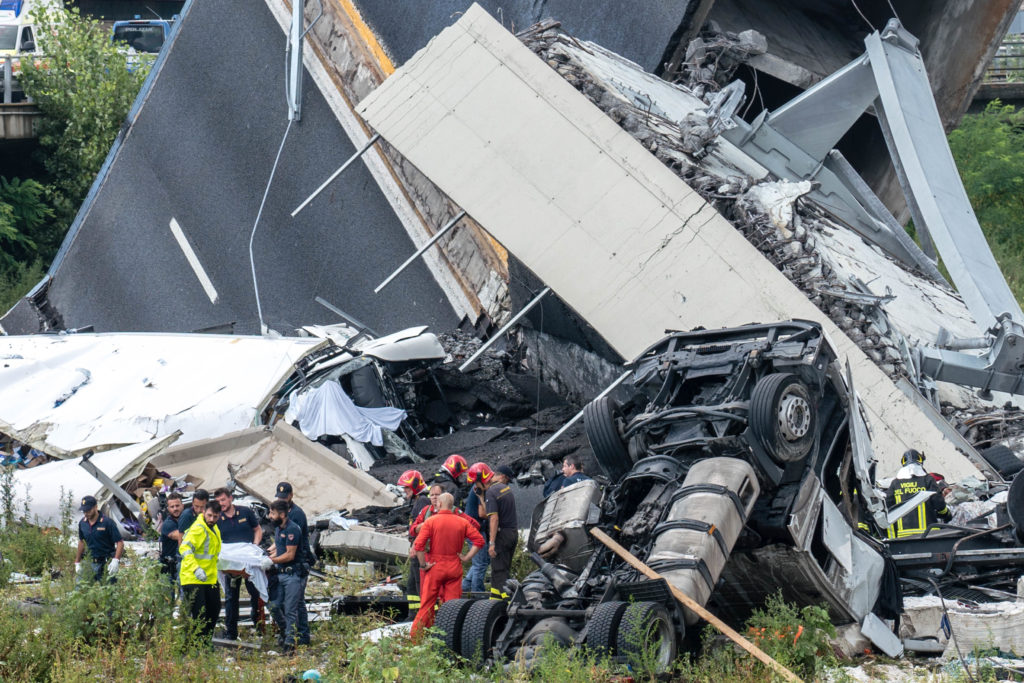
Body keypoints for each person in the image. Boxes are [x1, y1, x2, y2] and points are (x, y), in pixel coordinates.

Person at [410, 493, 485, 639]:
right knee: (452, 608)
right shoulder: (461, 522)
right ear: (452, 506)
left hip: (435, 566)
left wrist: (423, 565)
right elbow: (479, 541)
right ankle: (449, 642)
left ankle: (415, 640)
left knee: (427, 605)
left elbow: (418, 546)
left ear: (438, 504)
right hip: (454, 566)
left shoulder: (431, 521)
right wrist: (467, 557)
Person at [213, 487, 264, 641]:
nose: (220, 504)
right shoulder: (217, 517)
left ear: (230, 498)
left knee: (255, 593)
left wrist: (254, 546)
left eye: (223, 500)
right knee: (231, 596)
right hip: (230, 562)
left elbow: (258, 529)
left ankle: (258, 625)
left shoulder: (245, 512)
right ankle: (231, 632)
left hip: (248, 558)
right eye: (218, 501)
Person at [468, 462, 518, 600]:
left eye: (476, 483)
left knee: (499, 573)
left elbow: (494, 518)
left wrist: (491, 543)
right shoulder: (504, 488)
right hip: (512, 533)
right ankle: (496, 603)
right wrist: (480, 498)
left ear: (481, 480)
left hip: (501, 536)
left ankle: (508, 604)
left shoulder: (491, 492)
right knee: (502, 572)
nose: (476, 486)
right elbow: (491, 511)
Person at [273, 482, 311, 647]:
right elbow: (278, 544)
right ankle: (296, 635)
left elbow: (291, 550)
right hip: (286, 566)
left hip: (297, 565)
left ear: (291, 496)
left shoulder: (296, 516)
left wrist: (271, 560)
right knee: (290, 604)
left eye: (285, 497)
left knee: (294, 605)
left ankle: (300, 636)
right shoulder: (279, 526)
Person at [179, 499, 223, 642]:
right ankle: (197, 646)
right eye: (209, 515)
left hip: (209, 577)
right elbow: (184, 548)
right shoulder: (199, 528)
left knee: (214, 610)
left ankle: (205, 642)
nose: (211, 519)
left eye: (215, 517)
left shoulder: (214, 528)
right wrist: (196, 568)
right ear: (204, 512)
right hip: (193, 577)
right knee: (199, 615)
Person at [267, 499, 307, 651]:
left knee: (290, 609)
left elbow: (290, 555)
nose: (270, 516)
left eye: (273, 513)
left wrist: (271, 561)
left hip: (292, 575)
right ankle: (285, 632)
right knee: (274, 606)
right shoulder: (279, 528)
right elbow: (279, 547)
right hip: (280, 574)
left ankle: (290, 643)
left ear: (282, 514)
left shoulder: (293, 529)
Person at [885, 449, 952, 539]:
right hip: (929, 534)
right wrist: (946, 514)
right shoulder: (927, 480)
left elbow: (887, 506)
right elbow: (938, 502)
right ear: (920, 461)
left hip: (904, 536)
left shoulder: (895, 483)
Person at [397, 470, 430, 612]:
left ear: (415, 486)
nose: (405, 491)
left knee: (419, 583)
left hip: (419, 550)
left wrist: (416, 547)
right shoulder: (418, 500)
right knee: (411, 586)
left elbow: (423, 528)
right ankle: (413, 614)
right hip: (415, 549)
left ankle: (423, 615)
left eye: (407, 487)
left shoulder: (422, 501)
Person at [74, 495, 124, 585]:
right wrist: (77, 562)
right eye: (84, 511)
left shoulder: (107, 523)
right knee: (81, 589)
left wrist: (116, 560)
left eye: (88, 510)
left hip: (106, 563)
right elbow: (81, 542)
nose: (86, 513)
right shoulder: (82, 523)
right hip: (89, 562)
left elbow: (120, 542)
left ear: (96, 507)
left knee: (108, 592)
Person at [461, 474, 490, 593]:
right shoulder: (479, 490)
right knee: (481, 564)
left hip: (472, 529)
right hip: (475, 530)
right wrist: (494, 516)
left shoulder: (477, 488)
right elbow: (482, 513)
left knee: (481, 561)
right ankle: (477, 592)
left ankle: (465, 587)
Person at [158, 492, 184, 599]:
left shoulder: (186, 520)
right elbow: (180, 536)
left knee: (185, 597)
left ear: (182, 505)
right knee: (167, 600)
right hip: (168, 566)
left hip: (182, 564)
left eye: (177, 506)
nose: (175, 509)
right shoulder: (168, 523)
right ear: (168, 509)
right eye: (172, 506)